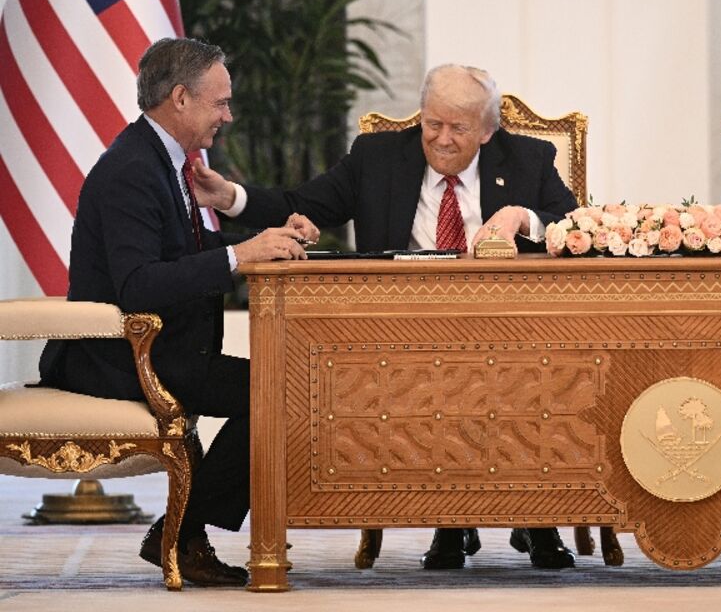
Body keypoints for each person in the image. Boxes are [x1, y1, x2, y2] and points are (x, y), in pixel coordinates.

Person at [192, 63, 579, 570]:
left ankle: (538, 516)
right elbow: (300, 204)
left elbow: (575, 225)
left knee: (525, 373)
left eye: (458, 128)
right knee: (439, 377)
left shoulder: (528, 158)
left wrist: (521, 216)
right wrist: (229, 197)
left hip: (506, 328)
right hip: (399, 331)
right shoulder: (377, 158)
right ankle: (451, 521)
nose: (441, 139)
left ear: (487, 130)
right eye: (432, 124)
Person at [38, 38, 312, 586]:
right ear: (181, 98)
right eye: (220, 102)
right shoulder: (131, 169)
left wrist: (267, 242)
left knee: (283, 388)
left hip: (165, 351)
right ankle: (180, 535)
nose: (228, 116)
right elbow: (138, 284)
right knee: (281, 393)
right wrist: (240, 256)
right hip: (119, 357)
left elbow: (181, 253)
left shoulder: (161, 159)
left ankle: (182, 533)